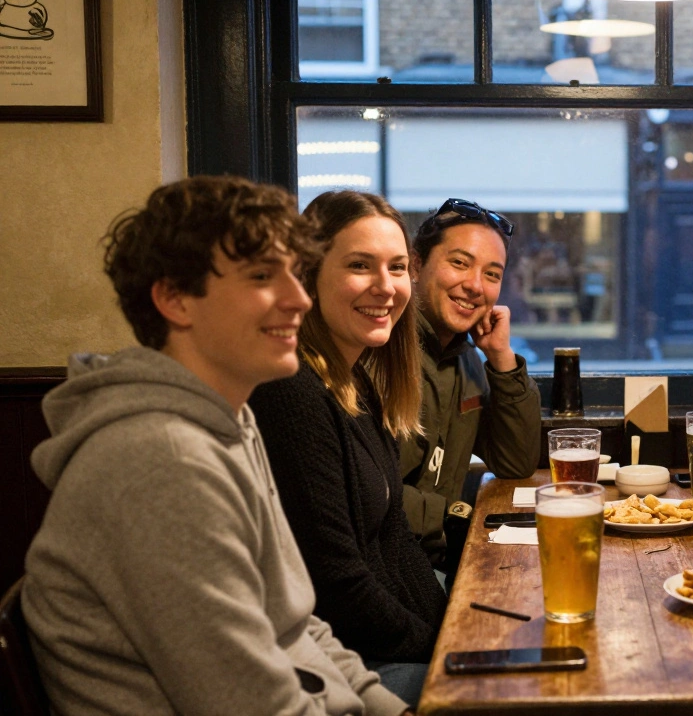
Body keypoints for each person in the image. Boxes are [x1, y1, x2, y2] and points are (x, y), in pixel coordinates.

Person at [21, 176, 413, 715]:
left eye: (294, 276)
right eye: (261, 277)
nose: (299, 298)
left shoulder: (232, 422)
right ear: (175, 298)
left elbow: (297, 626)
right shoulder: (158, 462)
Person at [249, 191, 447, 706]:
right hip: (344, 660)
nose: (386, 287)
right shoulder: (290, 392)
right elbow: (335, 586)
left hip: (377, 640)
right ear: (308, 273)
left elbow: (396, 537)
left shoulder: (356, 378)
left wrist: (450, 629)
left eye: (398, 267)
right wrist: (442, 649)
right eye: (360, 266)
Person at [399, 198, 541, 569]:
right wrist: (456, 519)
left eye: (492, 274)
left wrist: (502, 359)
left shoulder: (468, 358)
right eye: (459, 263)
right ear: (416, 265)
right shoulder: (384, 351)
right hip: (395, 566)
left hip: (437, 561)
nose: (475, 286)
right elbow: (366, 494)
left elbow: (515, 461)